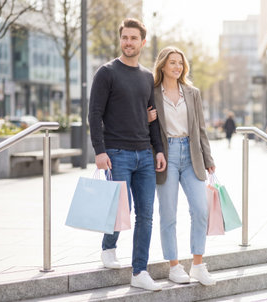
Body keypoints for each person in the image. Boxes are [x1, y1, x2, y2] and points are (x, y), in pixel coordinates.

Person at [88, 18, 166, 292]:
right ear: (120, 39)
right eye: (125, 38)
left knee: (146, 214)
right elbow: (94, 114)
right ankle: (108, 247)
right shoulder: (106, 72)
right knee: (121, 209)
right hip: (117, 152)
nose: (129, 42)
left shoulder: (147, 77)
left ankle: (140, 271)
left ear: (143, 42)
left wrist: (158, 150)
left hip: (144, 154)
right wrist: (99, 151)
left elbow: (152, 118)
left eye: (134, 38)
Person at [148, 46, 217, 286]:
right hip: (166, 157)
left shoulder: (192, 92)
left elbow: (201, 129)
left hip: (192, 155)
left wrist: (208, 159)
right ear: (163, 66)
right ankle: (174, 266)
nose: (177, 67)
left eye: (180, 63)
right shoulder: (152, 92)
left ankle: (198, 265)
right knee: (168, 214)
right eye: (172, 62)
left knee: (200, 210)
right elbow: (146, 126)